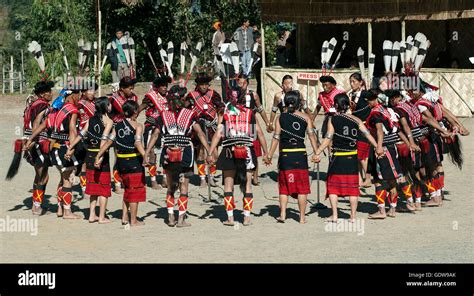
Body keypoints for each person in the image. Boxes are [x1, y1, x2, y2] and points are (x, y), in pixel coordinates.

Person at [144, 85, 212, 227]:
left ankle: (170, 217)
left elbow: (155, 134)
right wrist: (209, 151)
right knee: (183, 186)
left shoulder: (163, 115)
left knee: (171, 186)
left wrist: (146, 152)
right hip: (185, 153)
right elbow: (200, 133)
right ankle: (181, 218)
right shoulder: (190, 114)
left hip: (168, 152)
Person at [207, 87, 269, 226]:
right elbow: (258, 133)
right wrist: (266, 153)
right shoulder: (249, 113)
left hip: (229, 150)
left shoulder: (226, 113)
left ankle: (230, 218)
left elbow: (218, 134)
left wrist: (210, 152)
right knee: (247, 185)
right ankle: (246, 217)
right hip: (247, 149)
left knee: (228, 186)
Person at [25, 84, 86, 219]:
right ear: (72, 95)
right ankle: (65, 211)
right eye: (78, 95)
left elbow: (42, 125)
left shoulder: (54, 109)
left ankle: (59, 208)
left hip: (53, 149)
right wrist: (71, 149)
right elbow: (72, 131)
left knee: (60, 177)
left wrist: (29, 139)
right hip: (59, 147)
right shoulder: (70, 110)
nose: (79, 98)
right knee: (63, 179)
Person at [314, 93, 378, 222]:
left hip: (338, 157)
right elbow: (367, 134)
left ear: (336, 105)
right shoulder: (357, 120)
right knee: (352, 188)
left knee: (332, 186)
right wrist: (377, 146)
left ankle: (335, 215)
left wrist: (318, 151)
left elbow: (328, 137)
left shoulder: (333, 119)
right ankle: (353, 216)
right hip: (352, 157)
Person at [265, 90, 319, 224]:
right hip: (300, 155)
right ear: (298, 103)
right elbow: (312, 136)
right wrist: (317, 152)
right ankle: (301, 218)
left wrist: (270, 155)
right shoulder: (306, 118)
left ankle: (283, 215)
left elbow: (276, 137)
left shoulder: (280, 117)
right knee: (302, 188)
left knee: (284, 187)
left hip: (285, 155)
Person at [95, 100, 146, 226]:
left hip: (121, 162)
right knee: (135, 190)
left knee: (127, 189)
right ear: (134, 112)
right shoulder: (138, 126)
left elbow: (108, 142)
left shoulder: (117, 126)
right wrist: (145, 156)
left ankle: (124, 217)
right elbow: (137, 142)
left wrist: (98, 155)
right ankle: (133, 220)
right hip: (134, 161)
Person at [364, 89, 411, 219]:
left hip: (383, 148)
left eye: (369, 101)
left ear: (375, 100)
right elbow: (396, 129)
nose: (368, 103)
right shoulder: (387, 111)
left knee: (382, 180)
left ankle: (384, 210)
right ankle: (393, 209)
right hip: (389, 147)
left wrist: (378, 147)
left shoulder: (375, 114)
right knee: (392, 178)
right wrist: (408, 142)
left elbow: (379, 131)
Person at [66, 97, 113, 223]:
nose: (110, 106)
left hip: (89, 155)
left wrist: (70, 147)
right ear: (106, 107)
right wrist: (100, 157)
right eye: (109, 104)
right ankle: (102, 217)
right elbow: (104, 140)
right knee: (104, 188)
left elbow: (81, 135)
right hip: (100, 155)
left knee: (93, 186)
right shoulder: (108, 121)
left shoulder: (90, 120)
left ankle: (92, 215)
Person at [18, 81, 54, 215]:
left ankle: (36, 204)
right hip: (37, 143)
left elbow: (25, 124)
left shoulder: (32, 105)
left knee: (39, 175)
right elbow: (37, 124)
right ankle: (36, 207)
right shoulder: (43, 106)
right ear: (41, 94)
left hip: (29, 141)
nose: (51, 94)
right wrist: (32, 140)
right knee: (43, 177)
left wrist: (26, 140)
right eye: (48, 92)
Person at [186, 72, 224, 187]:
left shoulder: (214, 94)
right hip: (198, 127)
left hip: (212, 127)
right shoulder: (191, 95)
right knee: (201, 152)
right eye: (201, 84)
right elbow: (185, 110)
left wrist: (219, 125)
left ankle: (211, 176)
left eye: (206, 84)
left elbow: (220, 109)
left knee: (214, 153)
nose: (204, 87)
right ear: (197, 85)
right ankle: (202, 177)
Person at [236, 74, 270, 185]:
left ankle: (255, 177)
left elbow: (260, 108)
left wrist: (267, 122)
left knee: (254, 149)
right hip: (239, 123)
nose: (241, 85)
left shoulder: (253, 94)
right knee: (238, 149)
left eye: (243, 83)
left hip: (251, 121)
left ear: (247, 83)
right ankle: (241, 176)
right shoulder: (234, 95)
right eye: (239, 83)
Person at [141, 73, 171, 190]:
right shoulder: (150, 96)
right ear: (157, 87)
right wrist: (133, 115)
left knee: (166, 154)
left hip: (165, 128)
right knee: (152, 154)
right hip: (151, 127)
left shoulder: (169, 96)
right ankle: (153, 180)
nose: (164, 88)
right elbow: (142, 106)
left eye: (166, 86)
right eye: (162, 86)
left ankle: (164, 178)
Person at [109, 77, 139, 194]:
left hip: (130, 128)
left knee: (130, 155)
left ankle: (126, 180)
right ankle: (117, 183)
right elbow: (126, 112)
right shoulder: (114, 98)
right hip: (117, 129)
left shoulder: (134, 97)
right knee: (119, 156)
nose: (131, 90)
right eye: (129, 88)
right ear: (122, 88)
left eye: (132, 88)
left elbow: (134, 113)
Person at [347, 73, 371, 187]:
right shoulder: (351, 95)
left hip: (365, 128)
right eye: (350, 81)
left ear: (361, 82)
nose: (352, 84)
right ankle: (360, 180)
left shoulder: (366, 94)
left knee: (362, 156)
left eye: (354, 81)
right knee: (357, 156)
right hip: (354, 128)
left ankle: (368, 178)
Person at [77, 83, 98, 198]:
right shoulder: (80, 104)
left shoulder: (96, 102)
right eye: (89, 91)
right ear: (83, 92)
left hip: (96, 135)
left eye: (93, 91)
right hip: (85, 136)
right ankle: (84, 187)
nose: (91, 93)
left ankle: (92, 184)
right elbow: (82, 119)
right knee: (85, 162)